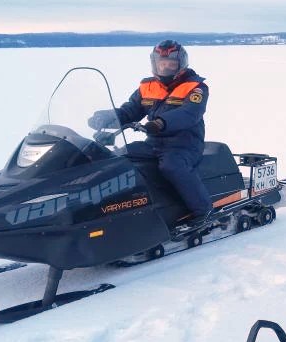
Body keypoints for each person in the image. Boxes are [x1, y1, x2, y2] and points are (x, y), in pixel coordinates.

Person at [88, 40, 214, 229]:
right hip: (153, 142)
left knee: (172, 166)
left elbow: (189, 114)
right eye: (161, 63)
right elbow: (130, 110)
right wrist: (107, 117)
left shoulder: (196, 87)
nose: (165, 67)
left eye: (171, 63)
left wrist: (161, 123)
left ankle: (204, 211)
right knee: (119, 157)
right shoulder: (148, 86)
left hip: (184, 143)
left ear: (181, 64)